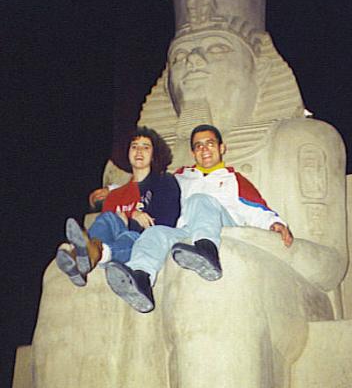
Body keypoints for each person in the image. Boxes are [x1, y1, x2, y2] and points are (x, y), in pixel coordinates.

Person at [104, 124, 293, 313]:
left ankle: (207, 250)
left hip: (222, 226)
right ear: (193, 153)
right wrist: (112, 190)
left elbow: (256, 209)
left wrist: (274, 223)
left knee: (199, 200)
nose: (204, 149)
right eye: (198, 146)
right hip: (187, 230)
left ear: (221, 148)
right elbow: (148, 183)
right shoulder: (182, 177)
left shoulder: (234, 179)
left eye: (210, 144)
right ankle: (141, 279)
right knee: (155, 233)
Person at [56, 127, 181, 287]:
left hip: (145, 241)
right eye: (134, 146)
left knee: (129, 235)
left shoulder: (164, 181)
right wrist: (128, 218)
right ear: (127, 152)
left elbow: (167, 221)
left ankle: (85, 258)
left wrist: (131, 218)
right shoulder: (115, 195)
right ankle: (87, 256)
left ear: (154, 154)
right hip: (115, 240)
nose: (139, 151)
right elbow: (106, 229)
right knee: (108, 217)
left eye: (145, 147)